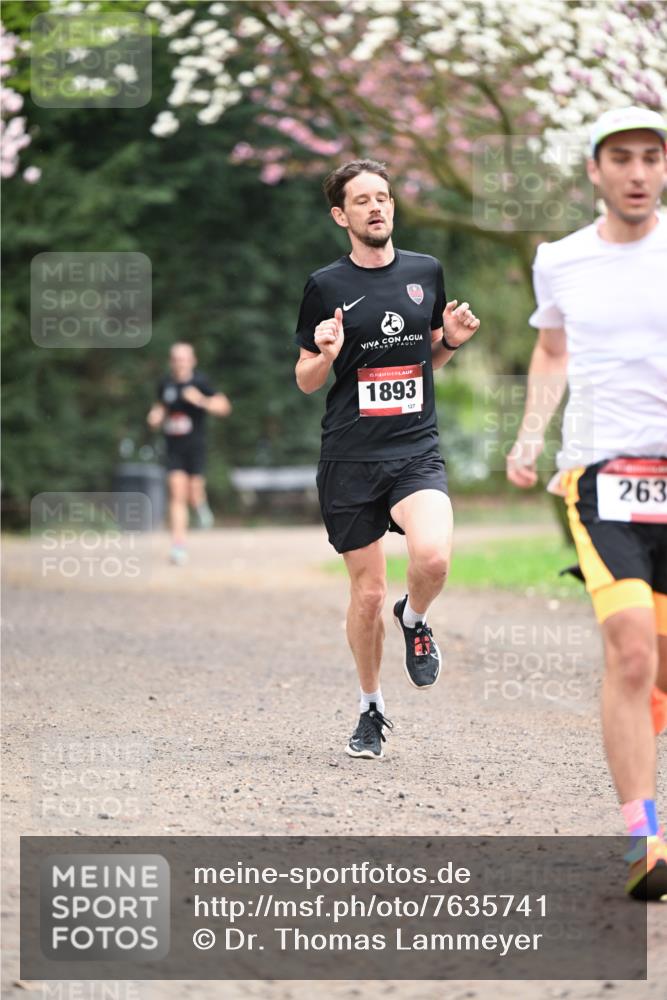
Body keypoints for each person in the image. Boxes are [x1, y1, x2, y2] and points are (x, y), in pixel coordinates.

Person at [506, 107, 667, 900]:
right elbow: (551, 347)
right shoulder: (559, 260)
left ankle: (645, 723)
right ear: (594, 173)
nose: (636, 172)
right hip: (600, 475)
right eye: (621, 158)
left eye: (650, 157)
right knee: (630, 647)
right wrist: (530, 435)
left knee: (659, 666)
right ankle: (644, 837)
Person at [294, 159, 480, 759]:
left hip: (413, 450)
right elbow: (305, 378)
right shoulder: (325, 286)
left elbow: (425, 360)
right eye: (362, 200)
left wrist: (447, 340)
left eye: (384, 197)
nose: (377, 208)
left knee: (433, 556)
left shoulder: (426, 272)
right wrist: (325, 352)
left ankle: (416, 617)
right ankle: (370, 708)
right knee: (366, 595)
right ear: (340, 215)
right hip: (349, 458)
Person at [147, 342, 231, 564]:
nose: (180, 363)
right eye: (176, 359)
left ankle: (201, 508)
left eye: (184, 359)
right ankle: (178, 546)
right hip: (173, 448)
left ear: (192, 361)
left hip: (196, 447)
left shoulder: (201, 382)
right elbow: (161, 407)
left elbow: (224, 407)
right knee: (177, 494)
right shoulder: (165, 384)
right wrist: (155, 415)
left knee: (194, 492)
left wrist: (201, 400)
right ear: (171, 362)